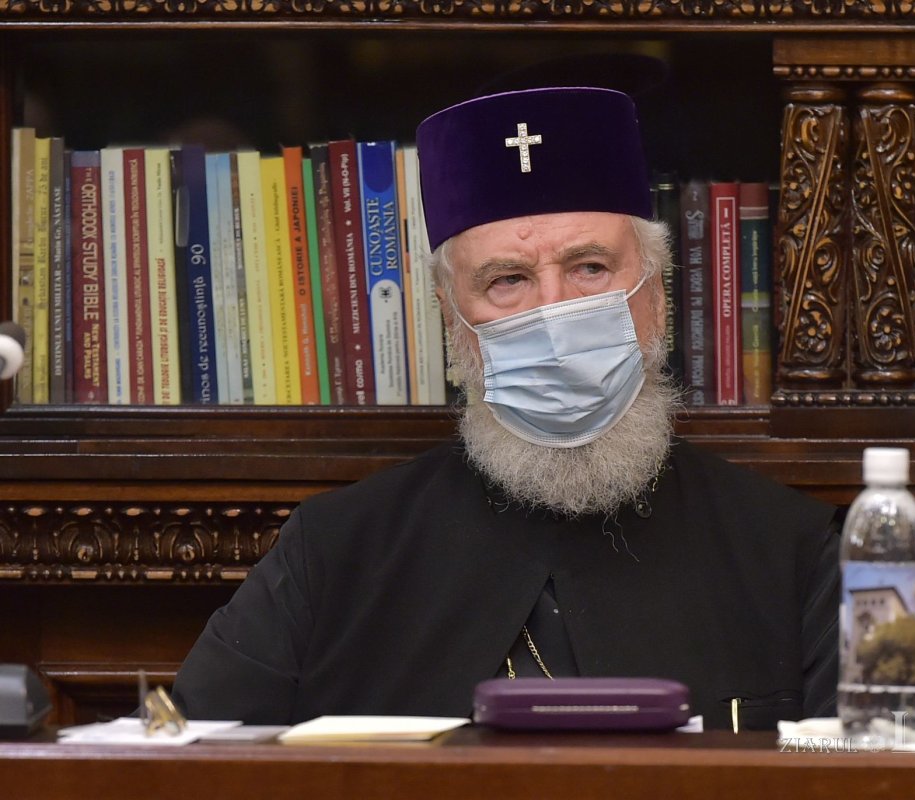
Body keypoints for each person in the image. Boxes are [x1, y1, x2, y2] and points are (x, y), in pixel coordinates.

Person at [171, 86, 842, 731]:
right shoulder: (331, 552)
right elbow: (184, 762)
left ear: (656, 296)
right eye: (507, 280)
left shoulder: (792, 554)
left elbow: (856, 770)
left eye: (589, 268)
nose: (553, 312)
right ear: (452, 322)